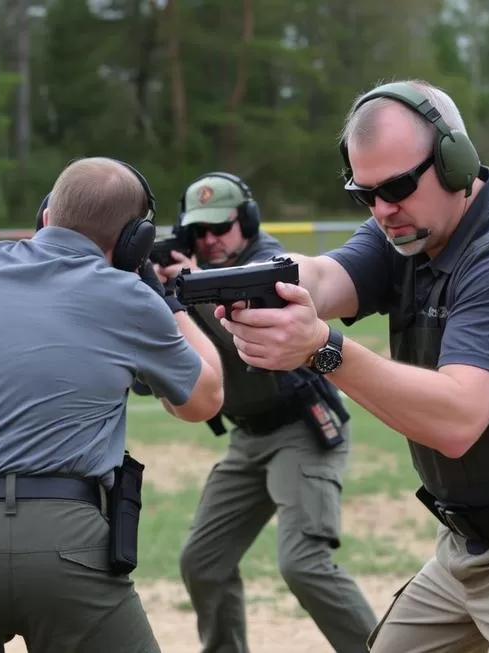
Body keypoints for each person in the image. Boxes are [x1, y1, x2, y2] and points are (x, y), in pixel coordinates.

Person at [216, 79, 489, 652]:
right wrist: (263, 284)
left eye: (397, 187)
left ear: (455, 163)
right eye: (365, 194)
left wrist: (321, 348)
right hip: (469, 544)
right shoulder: (407, 232)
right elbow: (323, 277)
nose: (383, 209)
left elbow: (456, 419)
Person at [0, 156, 225, 653]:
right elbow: (205, 400)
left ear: (45, 215)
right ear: (134, 242)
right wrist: (167, 301)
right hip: (69, 544)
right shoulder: (130, 298)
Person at [152, 172, 379, 653]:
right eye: (198, 231)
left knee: (304, 564)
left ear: (248, 222)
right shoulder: (187, 282)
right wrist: (159, 298)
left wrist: (187, 292)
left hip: (301, 428)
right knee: (203, 562)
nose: (210, 240)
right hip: (248, 437)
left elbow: (254, 345)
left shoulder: (269, 265)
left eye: (221, 227)